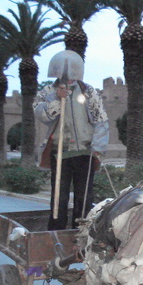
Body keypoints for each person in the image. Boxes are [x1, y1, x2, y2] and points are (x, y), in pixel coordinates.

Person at [34, 50, 109, 230]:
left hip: (85, 152)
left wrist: (98, 146)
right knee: (59, 196)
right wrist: (57, 99)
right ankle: (56, 231)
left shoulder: (89, 92)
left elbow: (101, 120)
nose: (67, 76)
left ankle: (81, 231)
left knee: (84, 197)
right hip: (59, 153)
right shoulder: (47, 92)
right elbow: (43, 115)